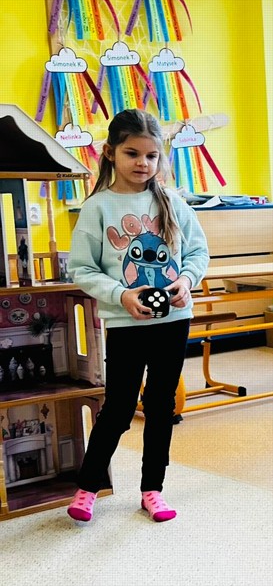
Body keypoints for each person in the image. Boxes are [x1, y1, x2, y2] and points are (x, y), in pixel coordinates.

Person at [66, 109, 209, 523]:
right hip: (126, 324)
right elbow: (82, 268)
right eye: (132, 153)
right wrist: (121, 294)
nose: (143, 163)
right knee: (118, 408)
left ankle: (152, 489)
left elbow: (198, 252)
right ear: (110, 152)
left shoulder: (173, 203)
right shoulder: (97, 208)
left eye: (151, 155)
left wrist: (186, 280)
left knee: (161, 406)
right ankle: (87, 487)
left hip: (173, 323)